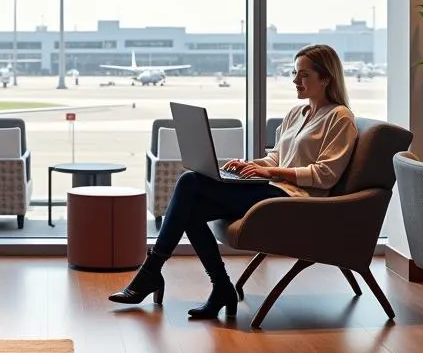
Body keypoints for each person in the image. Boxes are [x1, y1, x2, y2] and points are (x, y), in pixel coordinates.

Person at [109, 43, 358, 319]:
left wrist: (270, 173)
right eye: (294, 73)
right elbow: (277, 158)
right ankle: (221, 287)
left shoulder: (340, 118)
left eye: (303, 75)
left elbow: (325, 175)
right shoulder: (296, 113)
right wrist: (251, 165)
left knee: (190, 182)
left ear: (326, 78)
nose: (295, 81)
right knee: (190, 210)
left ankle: (151, 271)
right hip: (273, 189)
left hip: (295, 202)